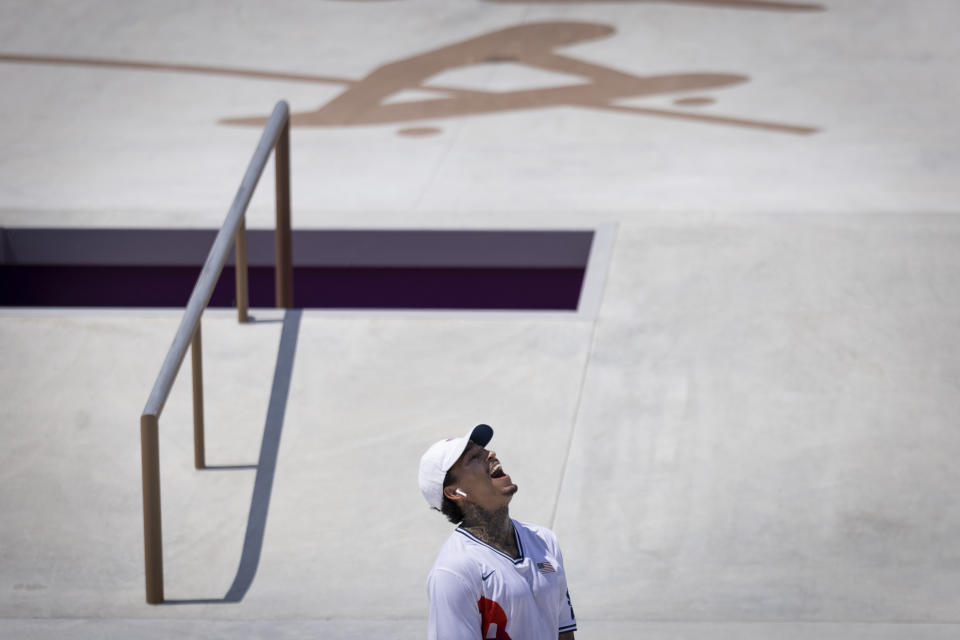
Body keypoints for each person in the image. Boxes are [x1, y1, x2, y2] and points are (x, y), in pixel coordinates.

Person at [418, 423, 577, 640]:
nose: (490, 453)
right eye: (473, 457)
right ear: (456, 492)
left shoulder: (544, 541)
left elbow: (564, 633)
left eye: (484, 449)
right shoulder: (454, 571)